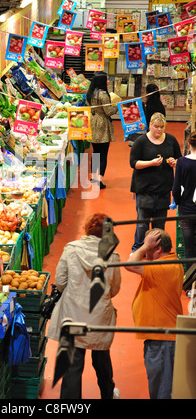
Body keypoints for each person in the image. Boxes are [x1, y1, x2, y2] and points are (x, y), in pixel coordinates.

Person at [47, 212, 121, 399]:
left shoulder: (71, 249)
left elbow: (61, 281)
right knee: (102, 356)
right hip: (99, 315)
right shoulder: (112, 256)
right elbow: (114, 288)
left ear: (88, 229)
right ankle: (108, 393)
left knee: (72, 363)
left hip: (73, 313)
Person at [126, 228, 184, 399]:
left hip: (162, 341)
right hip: (161, 339)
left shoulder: (163, 267)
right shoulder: (171, 262)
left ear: (157, 249)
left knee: (161, 391)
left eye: (148, 250)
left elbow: (130, 264)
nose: (145, 254)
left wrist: (143, 247)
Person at [129, 112, 182, 253]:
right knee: (142, 224)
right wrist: (150, 163)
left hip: (163, 188)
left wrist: (174, 162)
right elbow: (133, 163)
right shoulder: (141, 141)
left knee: (159, 224)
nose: (159, 130)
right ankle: (138, 249)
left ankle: (156, 249)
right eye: (156, 126)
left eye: (162, 127)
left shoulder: (171, 140)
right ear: (150, 126)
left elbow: (179, 159)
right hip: (144, 188)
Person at [86, 71, 120, 188]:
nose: (108, 81)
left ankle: (93, 178)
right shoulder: (103, 95)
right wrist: (117, 106)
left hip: (93, 121)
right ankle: (99, 180)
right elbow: (108, 112)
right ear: (102, 81)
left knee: (95, 152)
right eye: (107, 79)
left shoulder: (91, 93)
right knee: (103, 153)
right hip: (102, 124)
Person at [172, 131, 196, 268]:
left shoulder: (181, 162)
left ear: (188, 144)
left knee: (188, 247)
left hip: (186, 209)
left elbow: (176, 188)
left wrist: (179, 201)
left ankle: (190, 283)